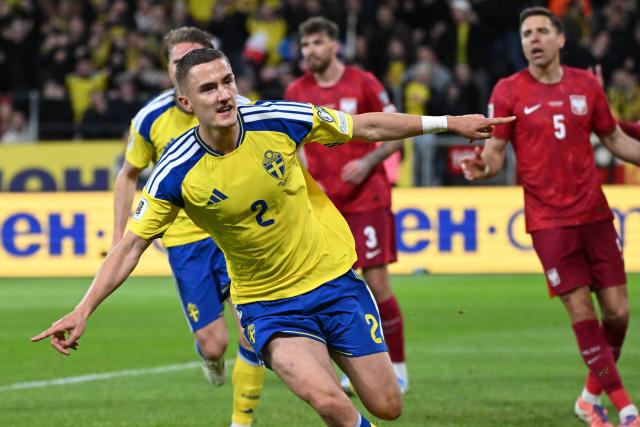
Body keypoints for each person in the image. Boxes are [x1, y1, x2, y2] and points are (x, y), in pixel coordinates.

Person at [32, 47, 513, 427]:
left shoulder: (278, 118)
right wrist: (84, 307)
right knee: (331, 402)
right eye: (208, 89)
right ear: (186, 102)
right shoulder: (174, 172)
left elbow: (364, 126)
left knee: (387, 406)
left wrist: (448, 123)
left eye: (228, 82)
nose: (223, 95)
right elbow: (131, 246)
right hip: (268, 304)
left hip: (334, 280)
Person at [460, 7, 640, 427]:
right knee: (582, 314)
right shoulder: (508, 91)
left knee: (618, 314)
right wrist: (481, 167)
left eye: (542, 31)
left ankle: (588, 399)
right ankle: (626, 407)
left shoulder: (585, 86)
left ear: (561, 39)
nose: (533, 39)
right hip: (548, 223)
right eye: (526, 33)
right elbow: (494, 154)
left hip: (594, 215)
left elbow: (613, 138)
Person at [111, 27, 264, 427]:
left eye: (196, 57)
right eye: (179, 61)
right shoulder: (149, 119)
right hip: (185, 242)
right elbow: (128, 175)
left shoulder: (241, 107)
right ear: (169, 70)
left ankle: (240, 421)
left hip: (236, 233)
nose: (188, 66)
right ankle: (208, 357)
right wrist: (118, 239)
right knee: (215, 344)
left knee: (252, 328)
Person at [283, 16, 408, 393]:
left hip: (367, 198)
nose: (310, 52)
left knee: (377, 283)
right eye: (305, 46)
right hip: (324, 207)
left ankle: (398, 368)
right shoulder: (297, 90)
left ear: (334, 45)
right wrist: (307, 180)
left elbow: (394, 131)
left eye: (317, 43)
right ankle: (354, 367)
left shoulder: (363, 82)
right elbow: (293, 146)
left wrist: (368, 162)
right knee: (331, 287)